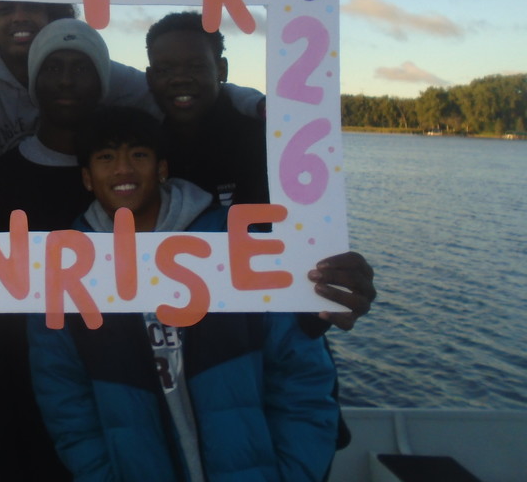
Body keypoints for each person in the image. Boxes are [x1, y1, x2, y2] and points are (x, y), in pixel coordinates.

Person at [27, 106, 342, 482]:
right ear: (87, 178)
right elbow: (64, 403)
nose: (123, 169)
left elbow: (300, 373)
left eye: (138, 155)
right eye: (106, 157)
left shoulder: (237, 246)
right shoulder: (63, 271)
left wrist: (295, 473)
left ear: (162, 169)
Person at [0, 0, 264, 234]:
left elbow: (181, 85)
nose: (67, 81)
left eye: (34, 7)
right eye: (7, 8)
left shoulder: (103, 77)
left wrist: (260, 105)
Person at [144, 11, 376, 330]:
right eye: (165, 69)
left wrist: (333, 284)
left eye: (196, 66)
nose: (180, 78)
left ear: (221, 70)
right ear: (148, 78)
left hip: (264, 331)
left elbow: (306, 243)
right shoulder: (139, 149)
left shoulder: (273, 143)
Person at [0, 17, 112, 481]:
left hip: (106, 395)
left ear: (102, 83)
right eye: (52, 67)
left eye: (81, 67)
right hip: (10, 399)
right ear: (32, 82)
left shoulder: (125, 181)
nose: (66, 80)